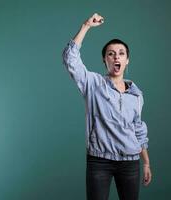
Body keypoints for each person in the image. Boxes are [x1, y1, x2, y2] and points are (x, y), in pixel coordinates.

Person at [62, 13, 152, 200]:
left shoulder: (136, 94)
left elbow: (138, 129)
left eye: (121, 53)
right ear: (105, 60)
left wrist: (146, 163)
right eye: (111, 54)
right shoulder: (93, 84)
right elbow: (70, 59)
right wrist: (86, 25)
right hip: (99, 161)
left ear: (127, 60)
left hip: (130, 162)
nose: (116, 57)